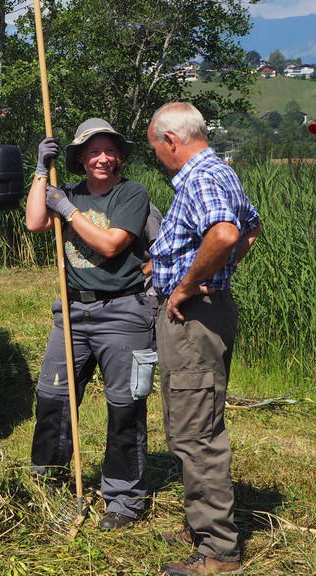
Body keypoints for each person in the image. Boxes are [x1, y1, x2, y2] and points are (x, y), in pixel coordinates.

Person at [147, 102, 260, 576]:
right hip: (201, 313)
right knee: (192, 420)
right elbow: (251, 227)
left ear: (171, 140)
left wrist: (190, 285)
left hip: (192, 318)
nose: (157, 156)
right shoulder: (220, 172)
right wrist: (216, 273)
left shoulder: (199, 178)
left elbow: (228, 233)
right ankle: (202, 526)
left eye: (156, 147)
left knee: (196, 432)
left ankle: (217, 551)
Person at [26, 118, 153, 531]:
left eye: (109, 150)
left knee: (125, 406)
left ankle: (124, 498)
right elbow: (34, 222)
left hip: (123, 312)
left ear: (119, 157)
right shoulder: (69, 190)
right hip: (71, 313)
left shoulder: (131, 193)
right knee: (53, 396)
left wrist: (67, 209)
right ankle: (47, 479)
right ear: (80, 157)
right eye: (94, 151)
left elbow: (111, 244)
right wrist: (40, 172)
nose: (103, 158)